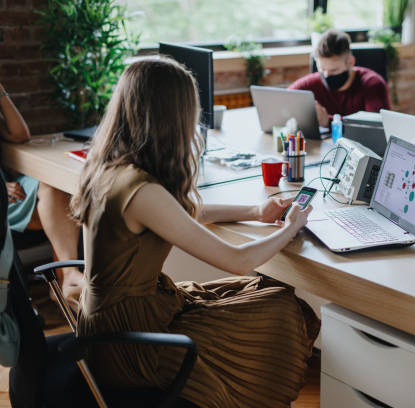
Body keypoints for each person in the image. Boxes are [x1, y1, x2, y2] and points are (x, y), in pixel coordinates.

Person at [71, 57, 320, 407]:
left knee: (262, 296)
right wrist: (291, 226)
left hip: (111, 322)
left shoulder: (110, 167)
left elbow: (178, 215)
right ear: (172, 116)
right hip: (128, 344)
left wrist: (256, 212)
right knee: (277, 306)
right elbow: (237, 260)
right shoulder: (142, 190)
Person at [0, 82, 82, 306]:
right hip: (3, 192)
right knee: (61, 216)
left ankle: (67, 280)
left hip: (11, 187)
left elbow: (20, 135)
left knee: (54, 187)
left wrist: (2, 93)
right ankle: (67, 285)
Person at [289, 29, 391, 127]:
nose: (327, 75)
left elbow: (377, 127)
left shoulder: (373, 84)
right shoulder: (312, 82)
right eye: (322, 69)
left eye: (334, 70)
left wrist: (328, 121)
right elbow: (284, 99)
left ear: (351, 62)